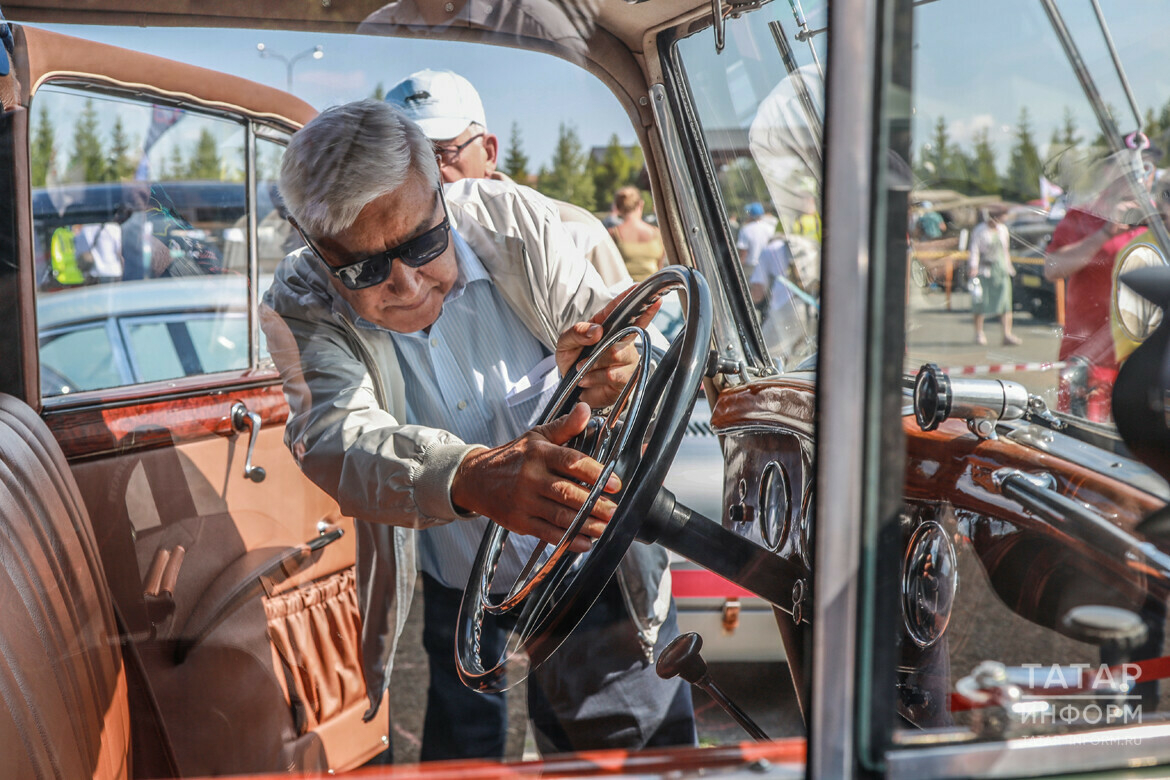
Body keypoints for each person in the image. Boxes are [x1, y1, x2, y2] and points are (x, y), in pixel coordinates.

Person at [260, 99, 695, 762]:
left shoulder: (519, 223)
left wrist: (616, 378)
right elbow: (333, 439)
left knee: (625, 756)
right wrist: (467, 479)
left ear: (443, 189)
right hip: (453, 593)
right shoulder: (300, 298)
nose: (405, 285)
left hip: (590, 572)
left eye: (421, 245)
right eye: (365, 270)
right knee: (461, 756)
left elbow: (632, 362)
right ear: (319, 253)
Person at [387, 69, 630, 289]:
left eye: (442, 153)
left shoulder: (574, 233)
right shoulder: (383, 260)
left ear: (489, 152)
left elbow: (632, 335)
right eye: (405, 163)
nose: (426, 175)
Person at [968, 207, 1020, 346]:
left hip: (1001, 269)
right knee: (981, 302)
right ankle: (979, 333)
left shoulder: (1003, 229)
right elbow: (974, 249)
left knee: (1005, 302)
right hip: (985, 269)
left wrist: (1009, 267)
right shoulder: (980, 230)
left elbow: (1005, 250)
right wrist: (973, 266)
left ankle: (1007, 334)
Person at [607, 186, 664, 282]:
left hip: (625, 294)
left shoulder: (613, 234)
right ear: (641, 204)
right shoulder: (657, 234)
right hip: (654, 291)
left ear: (617, 207)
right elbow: (660, 269)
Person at [736, 202, 773, 279]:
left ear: (751, 215)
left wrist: (737, 270)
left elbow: (743, 253)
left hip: (750, 268)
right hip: (766, 267)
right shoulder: (770, 229)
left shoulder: (746, 229)